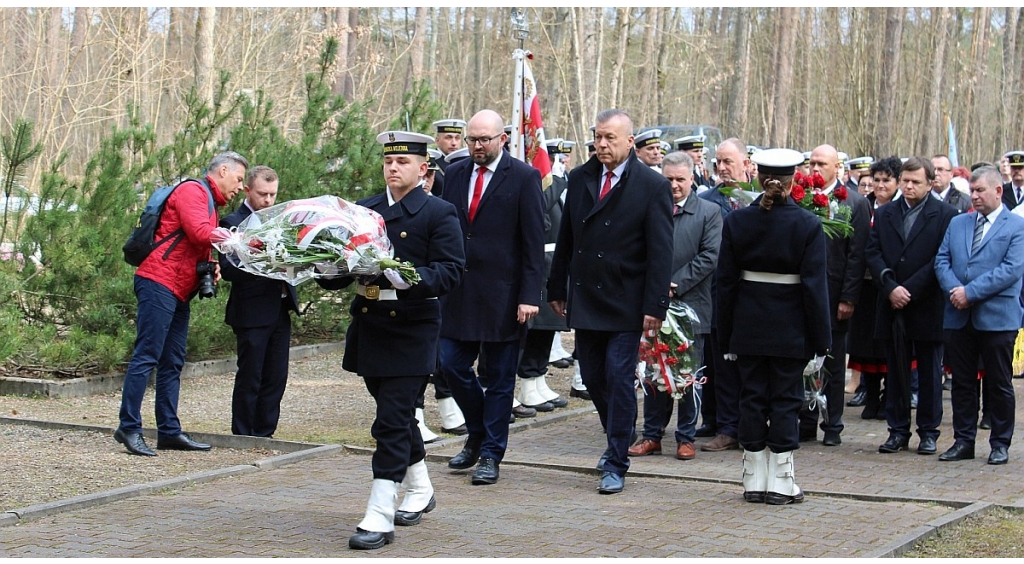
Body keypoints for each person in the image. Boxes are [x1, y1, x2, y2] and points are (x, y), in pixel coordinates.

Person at [318, 131, 465, 550]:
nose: (394, 167)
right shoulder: (364, 211)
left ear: (424, 169)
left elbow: (451, 272)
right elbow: (343, 268)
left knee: (390, 421)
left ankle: (379, 516)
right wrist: (329, 271)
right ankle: (420, 490)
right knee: (396, 416)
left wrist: (407, 278)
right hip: (371, 324)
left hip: (412, 327)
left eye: (404, 162)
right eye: (389, 161)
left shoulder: (438, 213)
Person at [548, 108, 673, 494]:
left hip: (626, 298)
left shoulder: (650, 185)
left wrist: (655, 305)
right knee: (596, 379)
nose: (602, 145)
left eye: (610, 138)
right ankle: (616, 433)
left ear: (629, 141)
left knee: (619, 378)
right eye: (598, 137)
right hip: (587, 297)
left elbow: (660, 251)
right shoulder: (582, 177)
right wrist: (556, 287)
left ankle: (616, 459)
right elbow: (567, 238)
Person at [114, 151, 249, 456]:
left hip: (177, 289)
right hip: (158, 281)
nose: (240, 186)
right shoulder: (193, 191)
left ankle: (169, 432)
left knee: (173, 361)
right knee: (147, 356)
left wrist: (209, 264)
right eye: (239, 179)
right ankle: (129, 427)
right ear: (223, 170)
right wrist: (238, 239)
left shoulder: (211, 203)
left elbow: (195, 242)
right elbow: (198, 231)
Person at [717, 148, 831, 505]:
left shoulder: (737, 222)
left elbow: (725, 283)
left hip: (748, 325)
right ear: (794, 180)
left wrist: (726, 331)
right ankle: (781, 480)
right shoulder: (808, 225)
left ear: (758, 177)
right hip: (790, 327)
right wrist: (821, 339)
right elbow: (815, 288)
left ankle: (754, 478)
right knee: (784, 400)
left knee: (751, 397)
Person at [439, 109, 545, 486]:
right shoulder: (452, 175)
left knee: (500, 380)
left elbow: (534, 242)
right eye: (472, 139)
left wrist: (529, 295)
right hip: (459, 293)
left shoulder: (525, 177)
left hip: (504, 297)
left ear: (502, 139)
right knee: (450, 364)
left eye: (484, 139)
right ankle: (479, 430)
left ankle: (489, 454)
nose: (478, 146)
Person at [629, 151, 722, 461]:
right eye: (668, 179)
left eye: (680, 179)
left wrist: (674, 283)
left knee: (688, 376)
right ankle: (652, 435)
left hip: (691, 308)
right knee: (655, 374)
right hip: (653, 308)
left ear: (692, 179)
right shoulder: (648, 209)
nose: (674, 185)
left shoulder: (708, 212)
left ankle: (686, 437)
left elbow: (710, 256)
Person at [865, 157, 957, 455]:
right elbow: (873, 251)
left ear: (931, 183)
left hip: (926, 302)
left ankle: (928, 432)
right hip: (892, 302)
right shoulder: (886, 212)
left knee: (930, 370)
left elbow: (941, 257)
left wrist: (911, 289)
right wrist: (889, 285)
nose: (908, 186)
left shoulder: (944, 214)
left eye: (916, 182)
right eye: (905, 180)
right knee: (897, 369)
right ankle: (897, 429)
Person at [935, 166, 1024, 465]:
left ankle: (1000, 443)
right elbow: (942, 261)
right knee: (962, 382)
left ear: (998, 191)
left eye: (980, 191)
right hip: (958, 316)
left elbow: (1011, 270)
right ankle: (964, 441)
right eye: (972, 191)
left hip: (997, 317)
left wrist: (970, 292)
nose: (973, 196)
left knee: (998, 382)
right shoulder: (959, 223)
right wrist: (955, 290)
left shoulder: (1016, 226)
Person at [219, 166, 300, 438]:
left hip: (280, 305)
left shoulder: (282, 220)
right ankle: (244, 432)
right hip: (251, 310)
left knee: (276, 376)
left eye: (273, 194)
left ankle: (266, 432)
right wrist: (257, 256)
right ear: (247, 190)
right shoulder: (232, 223)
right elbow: (228, 270)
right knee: (251, 375)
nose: (268, 200)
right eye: (262, 194)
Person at [800, 144, 870, 447]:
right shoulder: (799, 198)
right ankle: (805, 420)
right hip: (804, 294)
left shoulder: (853, 202)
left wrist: (849, 297)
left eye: (822, 164)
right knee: (804, 359)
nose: (815, 170)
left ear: (837, 168)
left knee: (832, 359)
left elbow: (857, 256)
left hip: (835, 293)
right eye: (811, 164)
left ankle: (833, 424)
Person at [697, 138, 750, 452]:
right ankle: (718, 421)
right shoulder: (709, 200)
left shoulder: (758, 197)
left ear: (746, 163)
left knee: (739, 363)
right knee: (716, 361)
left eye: (729, 161)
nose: (722, 168)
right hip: (717, 293)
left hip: (750, 294)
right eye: (718, 162)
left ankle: (739, 423)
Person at [516, 138, 573, 412]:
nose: (558, 163)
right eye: (553, 158)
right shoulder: (540, 184)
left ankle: (537, 380)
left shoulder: (562, 182)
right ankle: (527, 382)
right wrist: (557, 182)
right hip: (538, 260)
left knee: (549, 328)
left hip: (554, 261)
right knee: (535, 330)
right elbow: (541, 212)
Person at [847, 156, 901, 418]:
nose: (879, 185)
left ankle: (890, 396)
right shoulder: (863, 207)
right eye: (875, 180)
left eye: (886, 180)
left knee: (887, 344)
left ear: (897, 182)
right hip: (866, 287)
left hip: (889, 285)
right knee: (866, 344)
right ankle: (869, 395)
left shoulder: (901, 209)